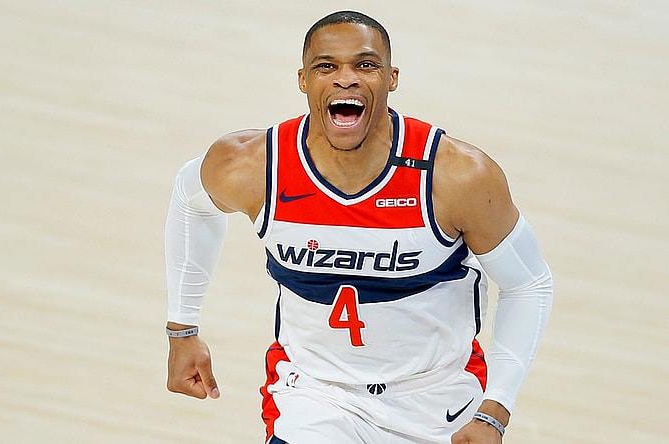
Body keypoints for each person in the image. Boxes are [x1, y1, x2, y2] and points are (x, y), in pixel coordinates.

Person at [164, 10, 553, 444]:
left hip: (438, 399)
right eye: (326, 66)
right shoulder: (255, 166)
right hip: (315, 397)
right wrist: (183, 331)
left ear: (392, 78)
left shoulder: (456, 176)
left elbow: (528, 283)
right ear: (303, 80)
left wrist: (495, 410)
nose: (344, 79)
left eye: (365, 65)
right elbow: (190, 200)